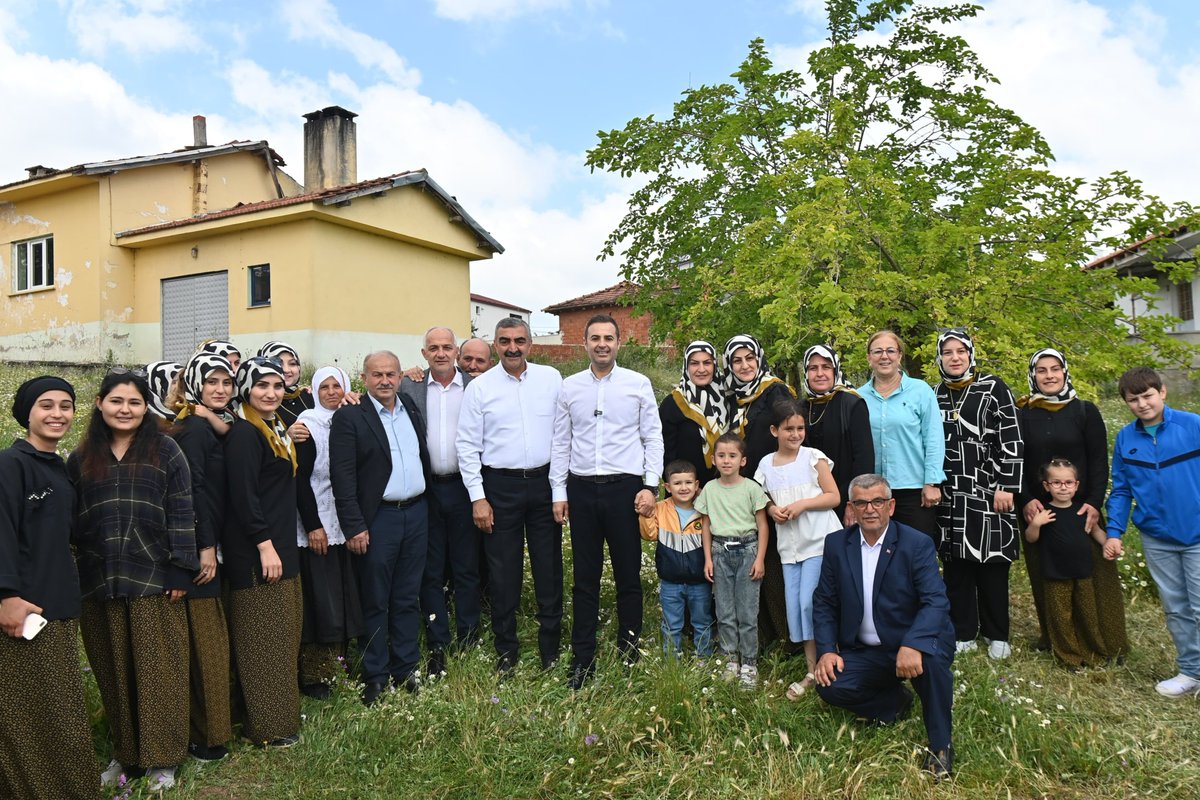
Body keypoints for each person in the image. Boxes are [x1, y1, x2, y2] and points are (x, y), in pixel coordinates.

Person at [70, 369, 198, 790]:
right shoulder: (82, 455)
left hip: (153, 578)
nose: (125, 410)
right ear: (100, 404)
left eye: (135, 403)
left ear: (146, 408)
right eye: (117, 401)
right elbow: (72, 521)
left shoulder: (166, 449)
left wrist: (181, 567)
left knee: (157, 672)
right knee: (114, 672)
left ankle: (163, 760)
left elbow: (182, 509)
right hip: (99, 580)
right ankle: (124, 755)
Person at [813, 473, 956, 780]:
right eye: (861, 503)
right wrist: (826, 650)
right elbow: (824, 601)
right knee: (830, 684)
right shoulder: (838, 544)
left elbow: (936, 601)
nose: (870, 509)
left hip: (913, 640)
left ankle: (941, 745)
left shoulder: (916, 543)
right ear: (851, 507)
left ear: (891, 506)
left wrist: (913, 643)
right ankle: (895, 702)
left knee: (932, 667)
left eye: (877, 501)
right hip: (868, 648)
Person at [0, 377, 99, 800]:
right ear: (27, 413)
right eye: (46, 405)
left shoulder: (58, 467)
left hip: (58, 607)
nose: (57, 413)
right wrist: (5, 596)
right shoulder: (11, 464)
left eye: (66, 405)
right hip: (23, 608)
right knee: (27, 714)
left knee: (60, 710)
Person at [552, 313, 663, 689]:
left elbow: (653, 437)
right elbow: (561, 442)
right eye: (595, 338)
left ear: (619, 343)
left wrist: (650, 486)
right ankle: (582, 660)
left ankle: (629, 652)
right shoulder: (569, 387)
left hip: (625, 490)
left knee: (628, 575)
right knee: (585, 579)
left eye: (609, 338)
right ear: (584, 343)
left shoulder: (638, 384)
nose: (602, 344)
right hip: (581, 489)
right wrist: (559, 492)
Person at [457, 318, 563, 674]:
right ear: (495, 346)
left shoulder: (551, 379)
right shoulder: (480, 387)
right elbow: (467, 446)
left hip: (544, 483)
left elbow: (563, 436)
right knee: (503, 573)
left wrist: (560, 490)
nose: (513, 347)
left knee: (548, 569)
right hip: (498, 487)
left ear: (531, 344)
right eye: (505, 341)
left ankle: (550, 646)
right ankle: (507, 649)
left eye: (520, 340)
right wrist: (478, 497)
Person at [330, 351, 431, 704]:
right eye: (377, 375)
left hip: (417, 514)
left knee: (406, 597)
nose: (385, 380)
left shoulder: (409, 407)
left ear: (401, 376)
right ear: (365, 377)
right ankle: (375, 675)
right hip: (379, 519)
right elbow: (342, 478)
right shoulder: (350, 416)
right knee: (375, 599)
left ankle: (406, 670)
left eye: (391, 374)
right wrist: (354, 526)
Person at [1015, 348, 1127, 659]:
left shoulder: (1085, 411)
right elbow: (1015, 461)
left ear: (1065, 372)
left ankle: (1104, 643)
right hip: (1040, 511)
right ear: (1033, 375)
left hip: (1080, 509)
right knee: (1048, 578)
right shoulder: (1022, 413)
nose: (1049, 376)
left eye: (1055, 369)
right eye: (1042, 370)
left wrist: (1093, 501)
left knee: (1094, 578)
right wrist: (1025, 500)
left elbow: (1098, 461)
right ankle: (1058, 639)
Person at [222, 356, 303, 746]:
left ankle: (279, 719)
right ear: (246, 390)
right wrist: (265, 546)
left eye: (276, 386)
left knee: (280, 636)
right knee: (262, 642)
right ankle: (267, 729)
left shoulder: (275, 427)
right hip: (258, 551)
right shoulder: (244, 434)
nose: (271, 393)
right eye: (261, 386)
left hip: (280, 544)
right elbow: (243, 496)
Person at [1105, 366, 1200, 697]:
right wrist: (1114, 532)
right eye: (1134, 399)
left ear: (1162, 392)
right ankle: (1191, 672)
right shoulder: (1125, 439)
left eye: (1147, 395)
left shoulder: (1193, 426)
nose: (1142, 404)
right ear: (1126, 403)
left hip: (1197, 534)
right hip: (1157, 538)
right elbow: (1121, 491)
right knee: (1176, 607)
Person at [934, 329, 1023, 658]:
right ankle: (964, 631)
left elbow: (1011, 438)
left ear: (971, 354)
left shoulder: (993, 387)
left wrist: (1006, 485)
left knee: (992, 566)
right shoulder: (936, 394)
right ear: (939, 357)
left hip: (989, 492)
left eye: (961, 351)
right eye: (948, 352)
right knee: (957, 567)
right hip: (951, 495)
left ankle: (997, 633)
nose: (955, 357)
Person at [400, 327, 479, 675]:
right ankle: (438, 641)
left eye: (448, 347)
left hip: (466, 488)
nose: (441, 353)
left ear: (457, 351)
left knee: (467, 567)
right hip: (427, 490)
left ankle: (469, 636)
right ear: (424, 353)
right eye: (434, 348)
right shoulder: (409, 387)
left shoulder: (476, 387)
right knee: (431, 570)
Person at [170, 352, 236, 761]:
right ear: (196, 385)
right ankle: (203, 735)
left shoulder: (212, 425)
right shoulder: (193, 429)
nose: (220, 389)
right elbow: (191, 489)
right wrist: (205, 547)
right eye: (212, 382)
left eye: (227, 383)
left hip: (216, 542)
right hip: (201, 549)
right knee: (203, 645)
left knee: (212, 643)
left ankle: (214, 727)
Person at [754, 398, 842, 699]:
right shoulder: (766, 464)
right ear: (774, 430)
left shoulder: (813, 458)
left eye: (800, 428)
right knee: (796, 609)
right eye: (788, 429)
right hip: (790, 548)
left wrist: (804, 504)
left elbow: (833, 497)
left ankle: (828, 663)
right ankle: (811, 668)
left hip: (819, 541)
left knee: (810, 602)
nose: (795, 434)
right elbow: (761, 500)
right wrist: (770, 509)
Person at [294, 366, 364, 699]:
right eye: (325, 387)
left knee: (342, 597)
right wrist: (313, 527)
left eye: (338, 385)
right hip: (318, 524)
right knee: (320, 602)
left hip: (345, 523)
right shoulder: (308, 426)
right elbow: (300, 481)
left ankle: (340, 668)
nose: (333, 392)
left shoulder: (351, 419)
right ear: (316, 392)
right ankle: (314, 676)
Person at [723, 333, 796, 648]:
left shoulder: (775, 391)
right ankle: (763, 635)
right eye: (737, 360)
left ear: (759, 359)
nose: (744, 365)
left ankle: (789, 636)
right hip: (741, 490)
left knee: (776, 560)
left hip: (775, 487)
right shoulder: (727, 396)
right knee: (751, 558)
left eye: (749, 358)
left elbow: (793, 431)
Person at [1023, 459, 1113, 669]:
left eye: (1068, 482)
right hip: (1055, 574)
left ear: (1077, 485)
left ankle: (1094, 653)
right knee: (1060, 618)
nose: (1063, 487)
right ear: (1047, 486)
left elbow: (1098, 532)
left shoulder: (1084, 511)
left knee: (1088, 614)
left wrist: (1109, 544)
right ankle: (1069, 657)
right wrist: (1035, 524)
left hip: (1083, 573)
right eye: (1056, 483)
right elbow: (1030, 539)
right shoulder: (1044, 512)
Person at [698, 433, 770, 687]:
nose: (726, 461)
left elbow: (762, 525)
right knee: (725, 610)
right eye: (721, 456)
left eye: (732, 456)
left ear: (743, 460)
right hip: (719, 551)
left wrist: (760, 559)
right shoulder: (709, 488)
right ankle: (729, 659)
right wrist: (708, 558)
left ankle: (749, 663)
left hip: (747, 550)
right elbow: (706, 525)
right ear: (714, 459)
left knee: (748, 610)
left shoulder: (751, 488)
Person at [858, 330, 944, 539]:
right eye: (877, 351)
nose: (884, 356)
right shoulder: (858, 397)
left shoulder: (921, 391)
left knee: (915, 554)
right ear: (869, 358)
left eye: (890, 351)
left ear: (899, 356)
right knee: (876, 555)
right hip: (872, 493)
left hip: (913, 490)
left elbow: (933, 438)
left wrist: (932, 483)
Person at [639, 460, 713, 658]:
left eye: (688, 483)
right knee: (671, 623)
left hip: (700, 581)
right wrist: (646, 515)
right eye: (678, 483)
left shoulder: (703, 509)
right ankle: (672, 659)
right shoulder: (661, 508)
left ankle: (704, 659)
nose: (683, 488)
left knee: (702, 621)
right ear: (667, 487)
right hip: (670, 580)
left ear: (697, 485)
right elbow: (649, 534)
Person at [798, 344, 874, 525]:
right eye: (813, 368)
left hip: (844, 499)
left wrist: (854, 503)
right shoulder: (801, 407)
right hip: (808, 501)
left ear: (835, 370)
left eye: (826, 367)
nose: (819, 374)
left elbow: (864, 459)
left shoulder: (851, 403)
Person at [659, 340, 728, 486]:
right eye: (694, 363)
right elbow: (665, 454)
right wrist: (687, 488)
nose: (701, 369)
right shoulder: (674, 403)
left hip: (725, 489)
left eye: (707, 363)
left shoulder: (728, 399)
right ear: (686, 366)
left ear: (715, 365)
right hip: (686, 492)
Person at [257, 341, 314, 428]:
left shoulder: (310, 395)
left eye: (292, 364)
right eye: (279, 363)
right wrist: (286, 437)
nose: (287, 370)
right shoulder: (262, 402)